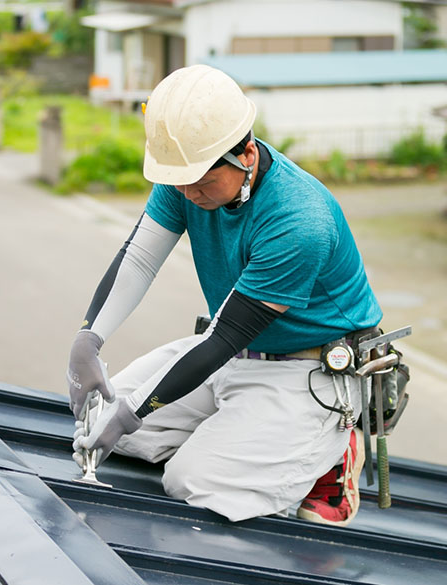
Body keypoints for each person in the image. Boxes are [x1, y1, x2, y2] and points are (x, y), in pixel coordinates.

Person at [67, 64, 382, 526]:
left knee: (195, 483)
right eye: (179, 180)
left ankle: (329, 450)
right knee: (98, 425)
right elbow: (138, 260)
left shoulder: (300, 221)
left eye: (201, 181)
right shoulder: (188, 175)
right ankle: (244, 439)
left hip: (305, 371)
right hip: (230, 355)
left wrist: (135, 409)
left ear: (247, 154)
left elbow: (224, 336)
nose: (189, 192)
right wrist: (88, 339)